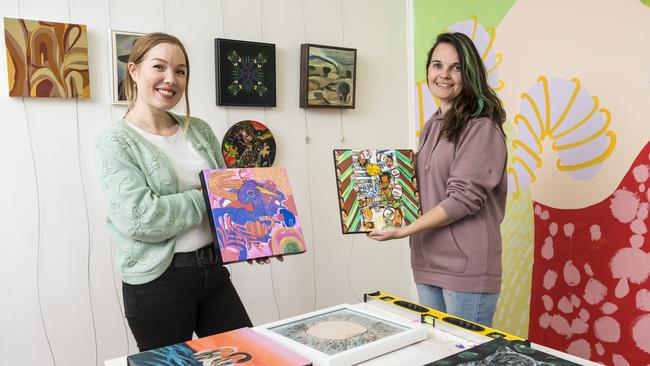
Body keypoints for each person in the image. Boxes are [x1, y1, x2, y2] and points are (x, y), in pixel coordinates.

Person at [95, 32, 262, 351]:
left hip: (213, 273)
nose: (170, 79)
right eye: (159, 67)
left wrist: (253, 239)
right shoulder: (114, 142)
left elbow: (230, 195)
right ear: (134, 71)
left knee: (252, 357)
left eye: (180, 71)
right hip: (156, 284)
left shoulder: (198, 129)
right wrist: (208, 196)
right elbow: (141, 219)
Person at [369, 32, 507, 327]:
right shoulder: (431, 125)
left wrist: (403, 231)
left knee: (464, 358)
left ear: (469, 75)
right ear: (428, 71)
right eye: (437, 65)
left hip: (465, 268)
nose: (444, 74)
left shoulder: (481, 127)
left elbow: (462, 200)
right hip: (426, 261)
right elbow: (419, 190)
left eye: (455, 68)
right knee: (437, 353)